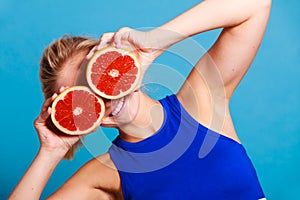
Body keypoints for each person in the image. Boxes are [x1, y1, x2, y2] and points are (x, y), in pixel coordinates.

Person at [9, 0, 271, 199]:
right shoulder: (103, 173)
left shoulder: (199, 103)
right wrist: (50, 152)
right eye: (82, 98)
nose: (101, 96)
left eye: (97, 77)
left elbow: (255, 5)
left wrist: (156, 41)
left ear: (117, 63)